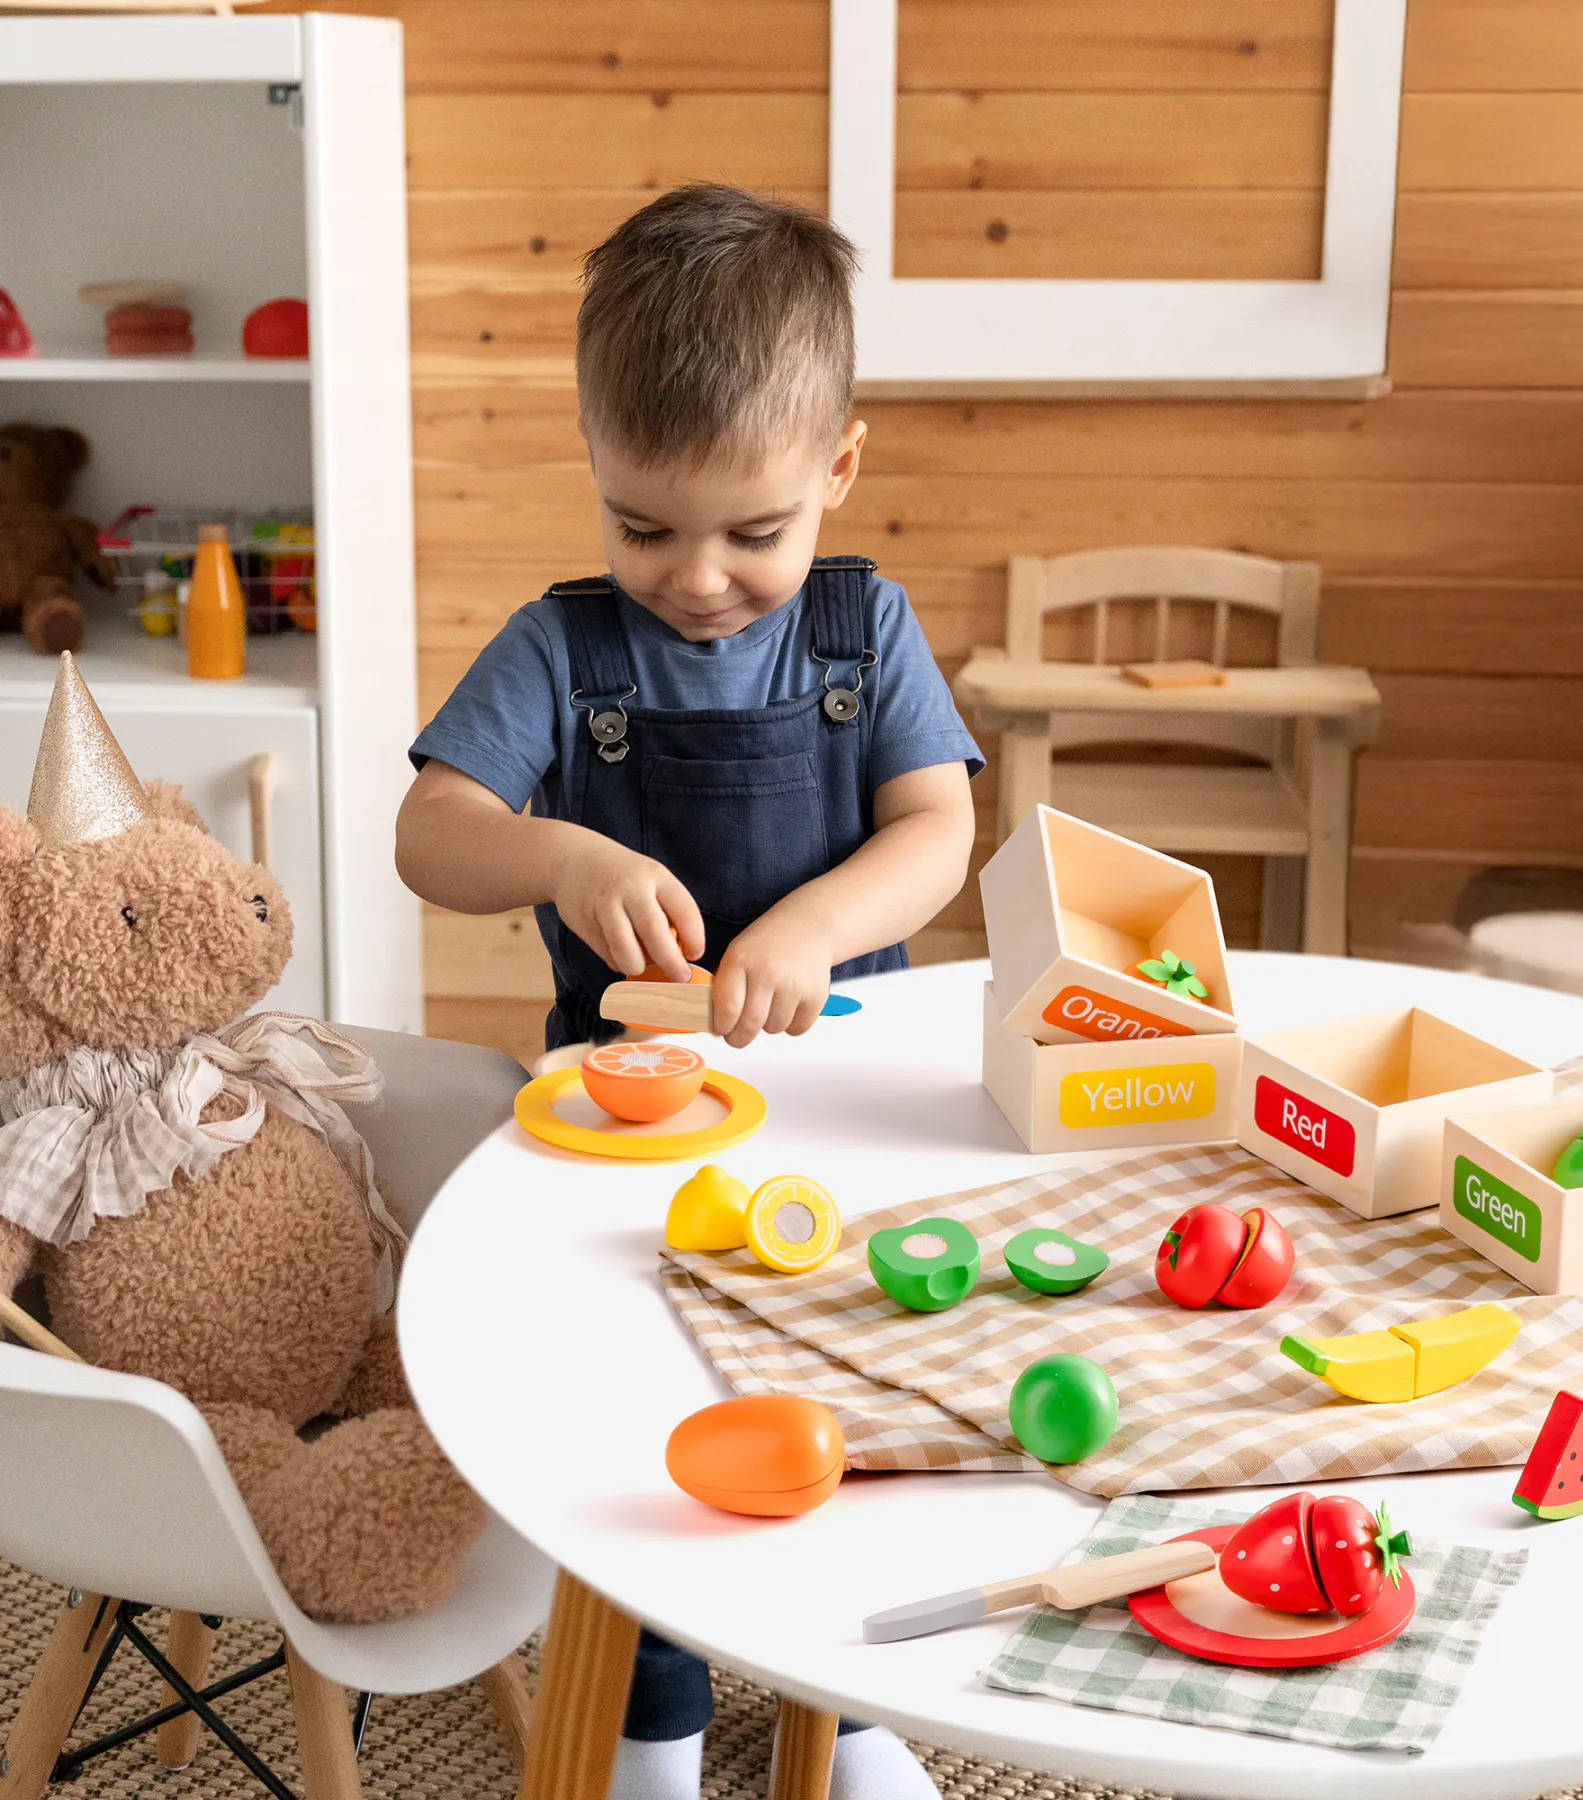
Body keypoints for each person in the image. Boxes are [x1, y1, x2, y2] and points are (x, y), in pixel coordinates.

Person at [396, 185, 978, 1800]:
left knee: (845, 1390)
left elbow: (942, 826)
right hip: (621, 1123)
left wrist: (812, 926)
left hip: (847, 1103)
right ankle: (651, 1718)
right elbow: (433, 834)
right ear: (595, 470)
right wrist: (565, 858)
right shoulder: (559, 650)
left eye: (754, 531)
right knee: (636, 1410)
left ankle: (848, 1708)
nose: (699, 577)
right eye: (643, 527)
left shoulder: (867, 629)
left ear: (838, 471)